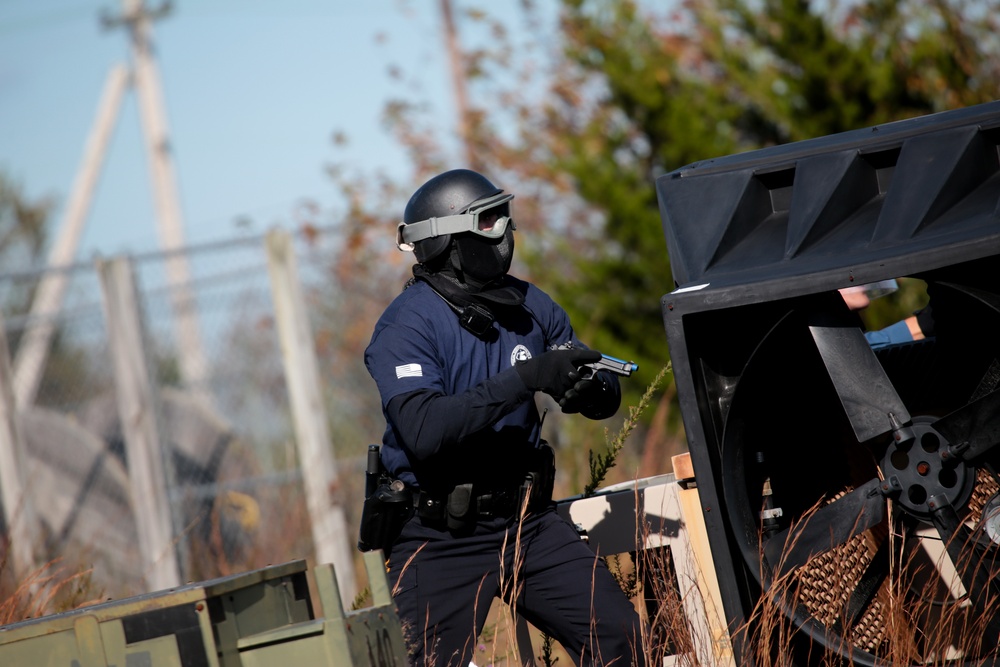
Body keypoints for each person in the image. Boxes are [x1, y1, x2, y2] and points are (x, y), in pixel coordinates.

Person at [363, 169, 645, 667]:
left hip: (526, 526)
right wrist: (529, 377)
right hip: (437, 538)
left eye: (505, 216)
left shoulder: (532, 306)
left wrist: (588, 388)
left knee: (619, 637)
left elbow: (600, 394)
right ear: (446, 239)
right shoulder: (406, 325)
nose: (506, 230)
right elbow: (425, 430)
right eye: (489, 220)